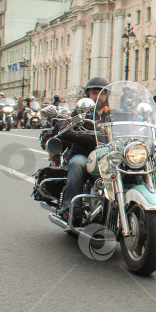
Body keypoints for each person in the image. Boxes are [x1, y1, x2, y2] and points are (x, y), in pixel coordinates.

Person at [57, 76, 110, 224]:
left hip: (109, 155)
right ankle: (71, 208)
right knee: (77, 164)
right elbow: (65, 129)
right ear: (88, 94)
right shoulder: (81, 111)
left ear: (107, 95)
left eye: (102, 93)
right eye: (94, 92)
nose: (98, 96)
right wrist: (88, 137)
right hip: (84, 154)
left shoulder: (113, 114)